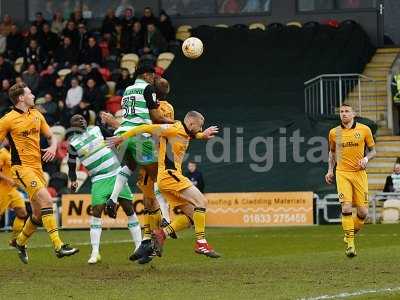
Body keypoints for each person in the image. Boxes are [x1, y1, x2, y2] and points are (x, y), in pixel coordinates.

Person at [108, 111, 220, 258]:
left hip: (169, 178)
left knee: (192, 215)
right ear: (191, 123)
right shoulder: (172, 128)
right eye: (199, 127)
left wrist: (202, 135)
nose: (200, 129)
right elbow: (143, 128)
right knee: (202, 201)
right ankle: (201, 243)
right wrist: (121, 138)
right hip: (169, 175)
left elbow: (190, 134)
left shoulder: (184, 131)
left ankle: (162, 233)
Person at [0, 83, 79, 263]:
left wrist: (52, 147)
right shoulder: (8, 119)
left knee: (37, 214)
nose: (33, 95)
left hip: (37, 168)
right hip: (21, 168)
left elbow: (51, 137)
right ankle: (59, 246)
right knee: (47, 200)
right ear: (21, 98)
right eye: (30, 93)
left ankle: (19, 242)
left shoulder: (37, 114)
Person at [67, 114, 142, 264]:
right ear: (72, 125)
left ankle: (139, 247)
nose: (81, 120)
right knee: (96, 212)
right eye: (76, 119)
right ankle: (95, 253)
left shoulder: (97, 129)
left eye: (82, 118)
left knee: (129, 209)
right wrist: (74, 180)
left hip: (116, 174)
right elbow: (71, 165)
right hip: (98, 179)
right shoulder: (72, 144)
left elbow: (115, 137)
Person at [325, 104, 376, 258]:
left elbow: (373, 151)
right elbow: (332, 153)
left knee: (363, 212)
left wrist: (366, 159)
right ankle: (351, 245)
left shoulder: (364, 130)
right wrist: (329, 170)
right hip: (343, 173)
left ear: (354, 114)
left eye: (347, 111)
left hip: (359, 174)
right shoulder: (334, 133)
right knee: (346, 207)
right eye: (341, 112)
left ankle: (349, 234)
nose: (344, 114)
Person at [0, 144, 28, 246]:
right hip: (2, 190)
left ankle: (15, 240)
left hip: (12, 190)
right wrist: (9, 180)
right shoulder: (2, 154)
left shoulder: (11, 154)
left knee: (22, 213)